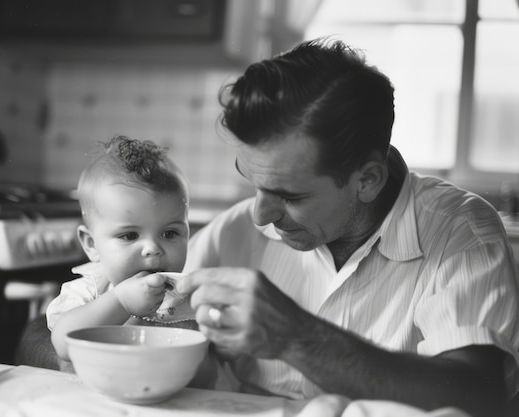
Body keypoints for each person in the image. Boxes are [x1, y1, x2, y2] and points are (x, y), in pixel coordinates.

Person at [174, 38, 519, 417]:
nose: (260, 215)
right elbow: (144, 317)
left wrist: (298, 338)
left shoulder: (460, 233)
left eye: (289, 196)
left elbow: (482, 398)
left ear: (367, 180)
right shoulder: (236, 230)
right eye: (253, 182)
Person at [46, 135, 196, 362]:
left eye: (169, 233)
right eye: (130, 235)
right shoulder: (91, 291)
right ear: (91, 244)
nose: (152, 249)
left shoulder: (188, 293)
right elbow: (64, 345)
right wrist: (121, 301)